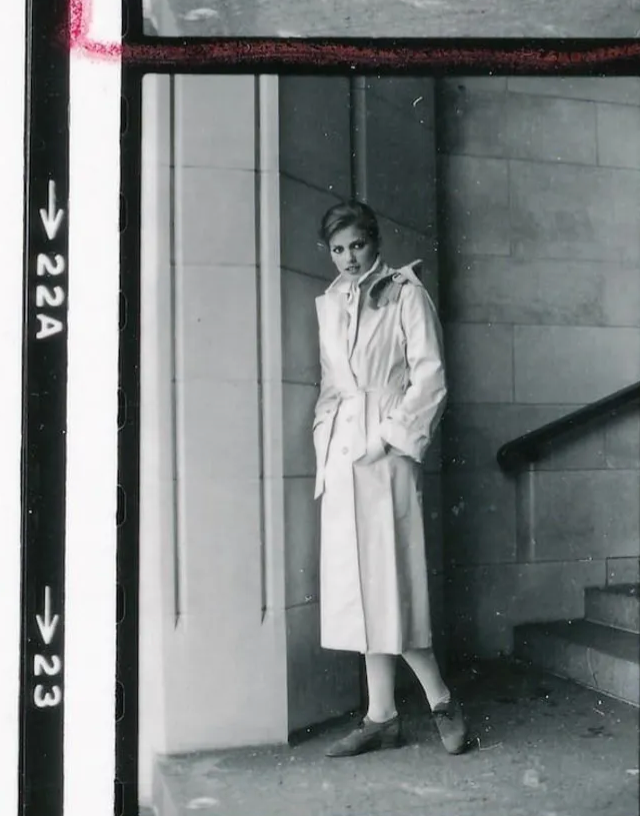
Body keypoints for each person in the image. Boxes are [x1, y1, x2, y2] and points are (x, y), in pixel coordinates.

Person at [313, 200, 467, 758]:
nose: (348, 258)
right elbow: (330, 386)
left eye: (356, 245)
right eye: (337, 249)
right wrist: (326, 451)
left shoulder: (406, 294)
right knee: (359, 590)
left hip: (388, 451)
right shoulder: (329, 304)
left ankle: (443, 700)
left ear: (374, 242)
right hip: (343, 457)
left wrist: (388, 438)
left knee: (393, 581)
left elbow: (431, 378)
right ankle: (381, 717)